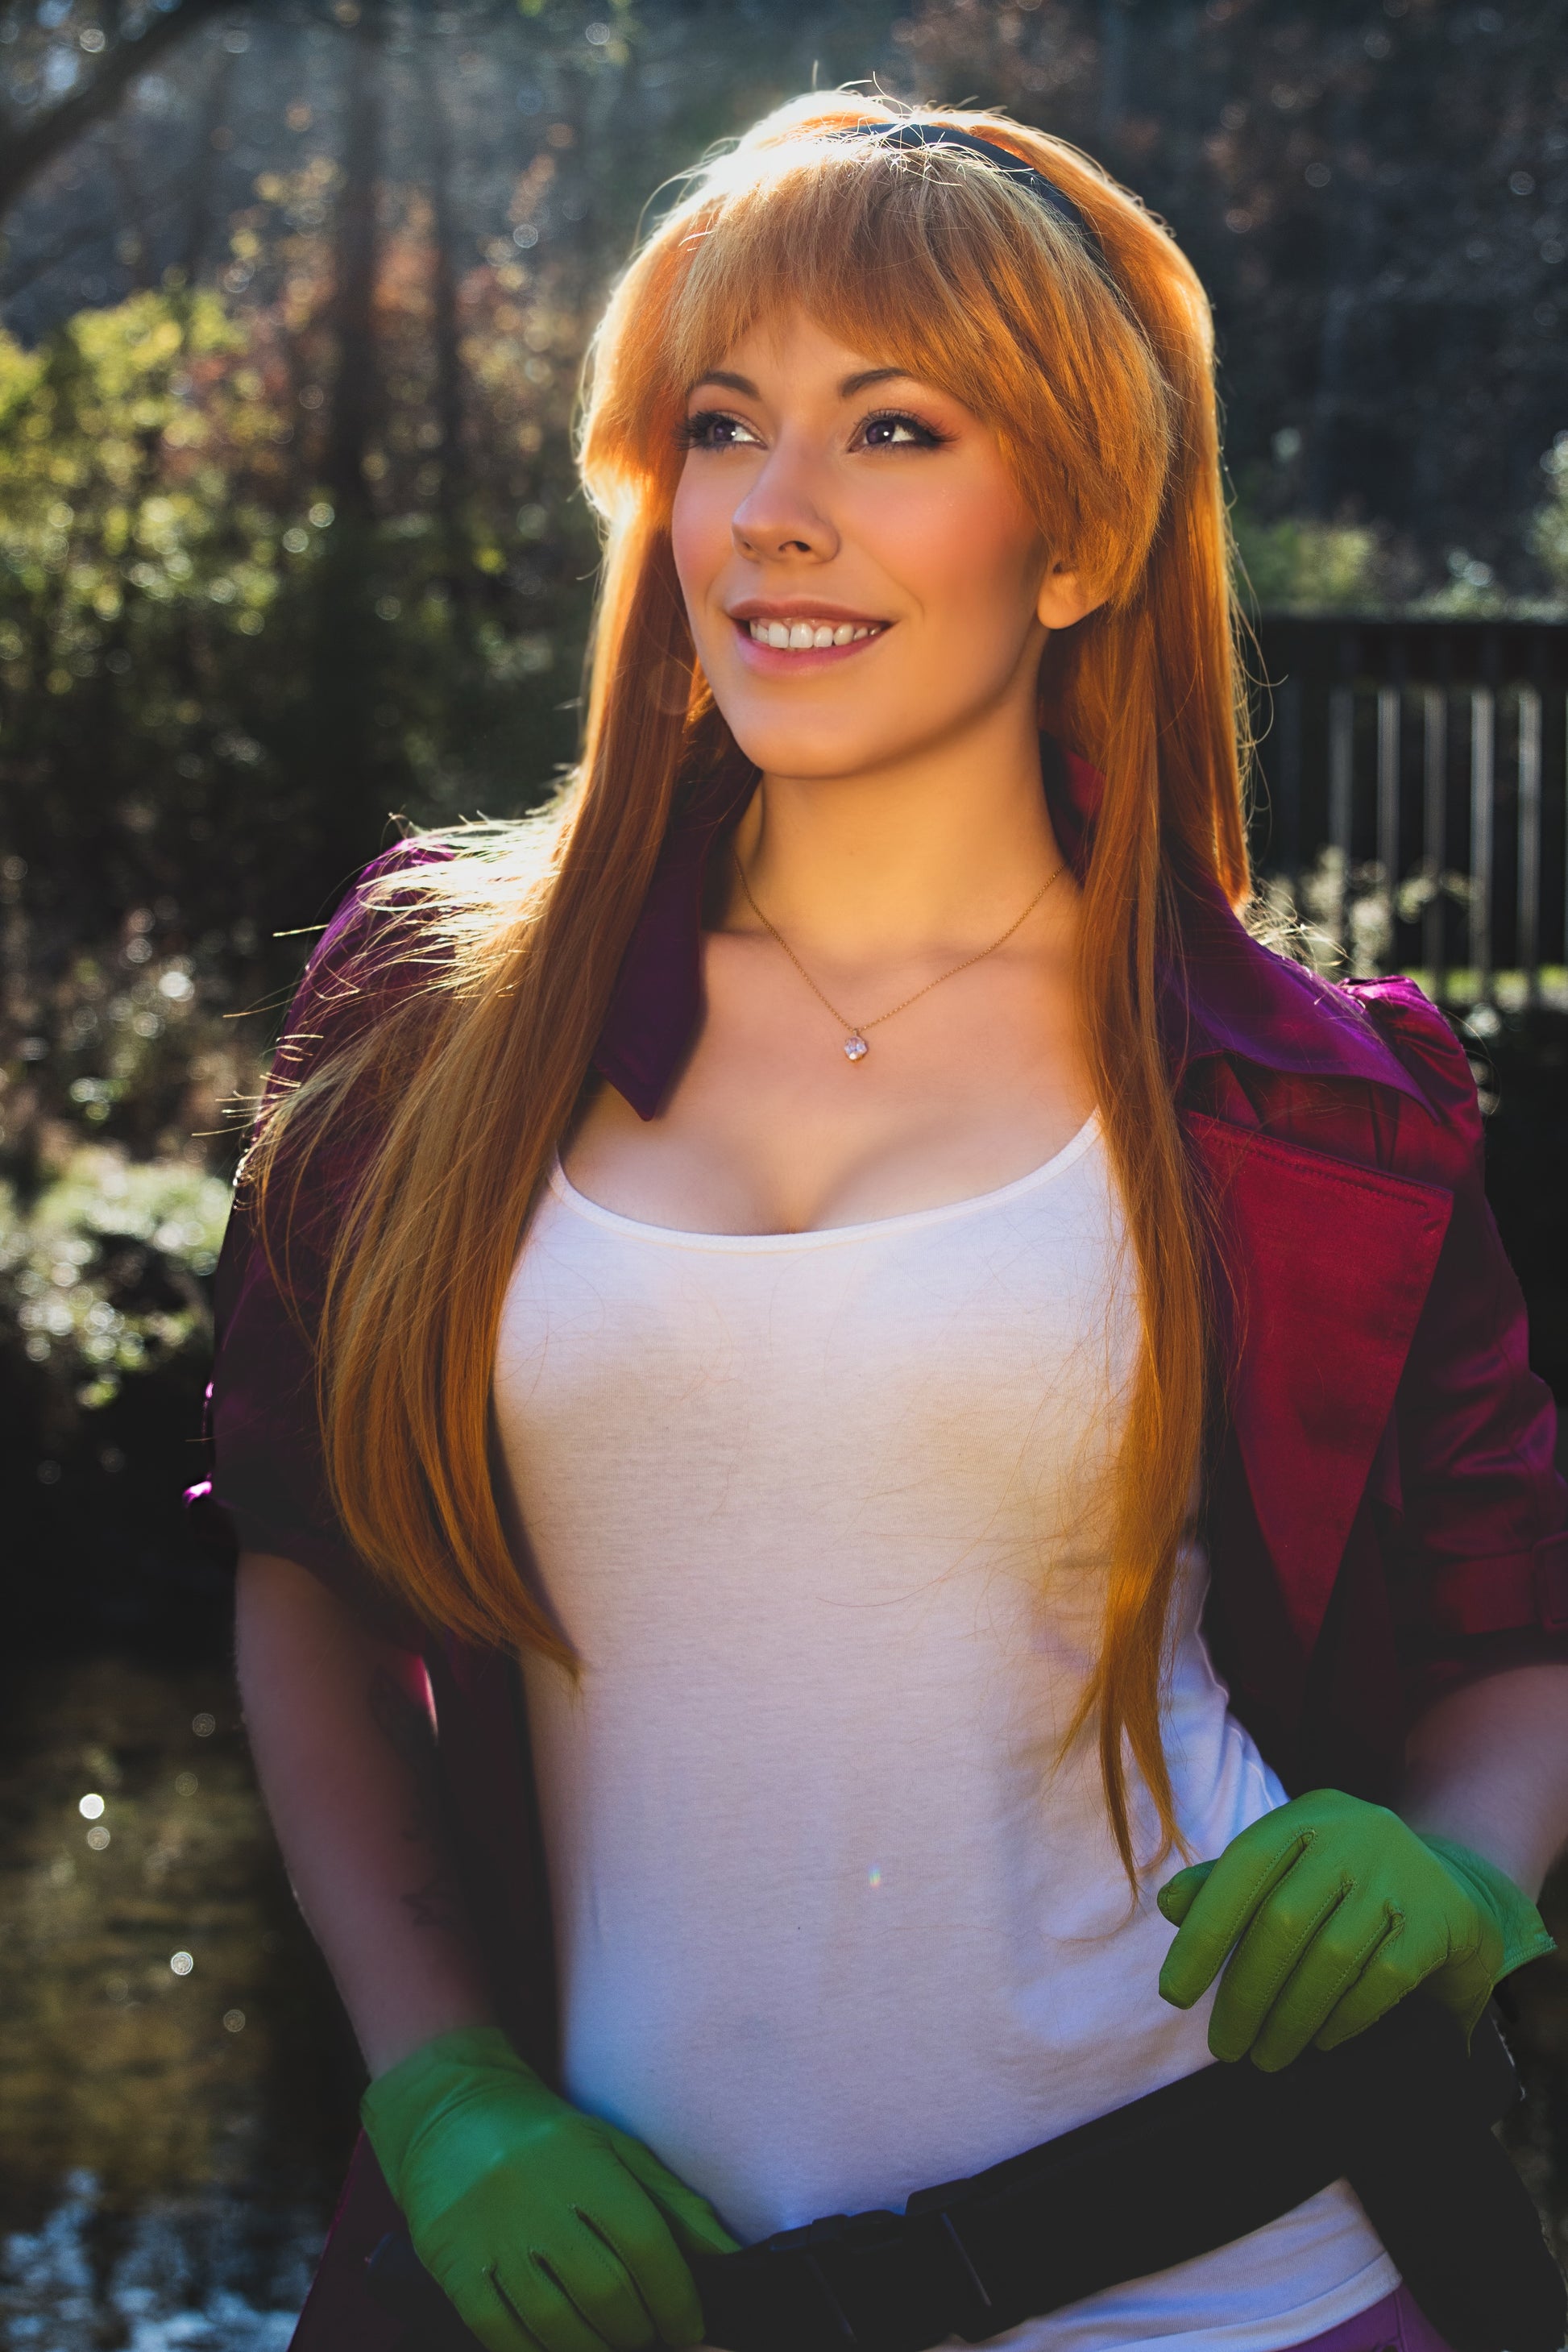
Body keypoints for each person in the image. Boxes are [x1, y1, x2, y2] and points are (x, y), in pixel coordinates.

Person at [206, 99, 1568, 2352]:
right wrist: (440, 2077)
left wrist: (1457, 1861)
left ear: (1075, 540)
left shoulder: (1311, 1099)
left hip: (1240, 2260)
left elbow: (1518, 1627)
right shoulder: (424, 1017)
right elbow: (305, 1571)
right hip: (635, 2296)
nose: (772, 512)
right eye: (721, 422)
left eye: (895, 426)